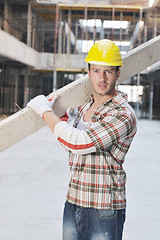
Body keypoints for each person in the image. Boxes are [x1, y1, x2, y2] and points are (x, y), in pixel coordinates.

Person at [27, 39, 137, 240]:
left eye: (108, 71)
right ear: (88, 72)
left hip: (103, 209)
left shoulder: (122, 113)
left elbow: (80, 142)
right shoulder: (85, 106)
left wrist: (44, 112)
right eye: (96, 71)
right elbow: (68, 141)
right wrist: (57, 113)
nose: (101, 78)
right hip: (74, 200)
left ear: (117, 73)